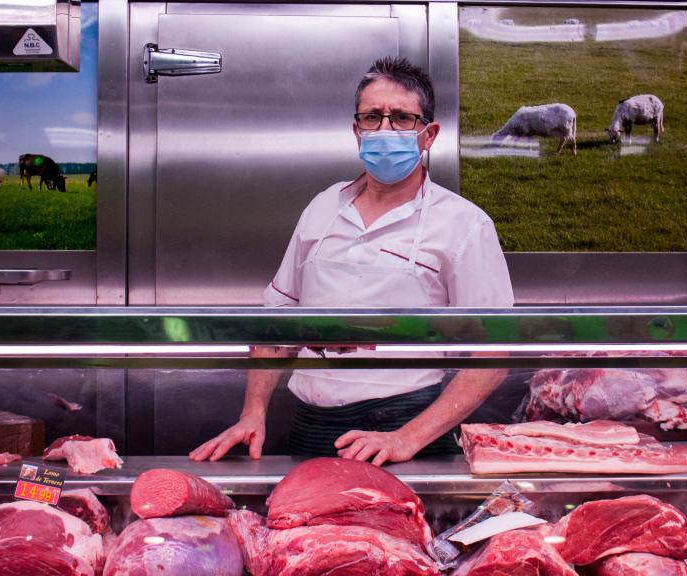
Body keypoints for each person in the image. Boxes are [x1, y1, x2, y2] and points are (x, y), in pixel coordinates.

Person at [189, 56, 514, 466]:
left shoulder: (465, 224)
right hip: (311, 424)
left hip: (405, 423)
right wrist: (253, 411)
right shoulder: (323, 206)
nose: (384, 129)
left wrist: (407, 438)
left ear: (428, 134)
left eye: (400, 118)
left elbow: (495, 352)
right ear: (356, 130)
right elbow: (278, 318)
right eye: (373, 117)